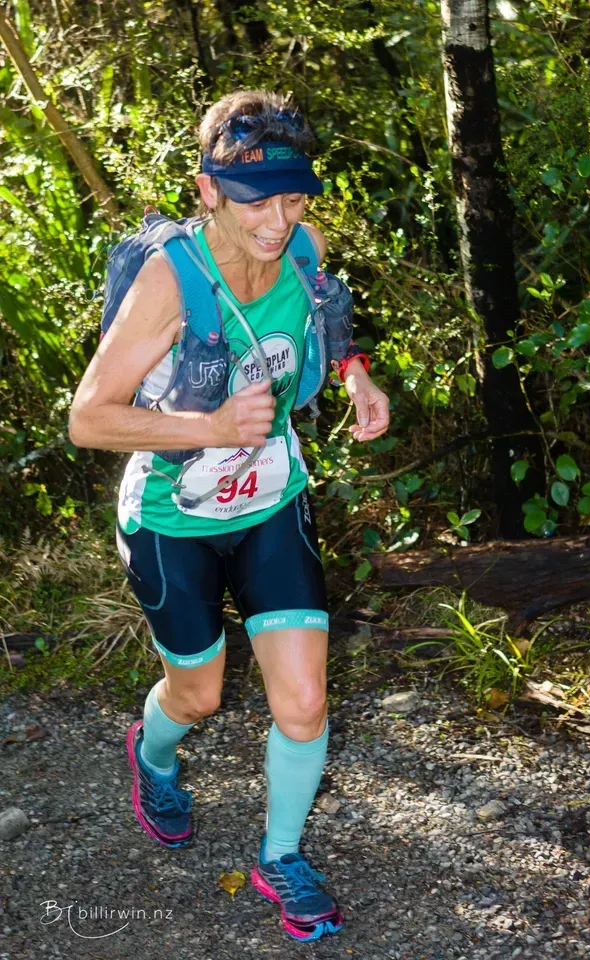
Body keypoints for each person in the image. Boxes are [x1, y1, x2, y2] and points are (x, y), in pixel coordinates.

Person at [69, 89, 390, 943]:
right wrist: (209, 428)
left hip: (271, 502)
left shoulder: (304, 247)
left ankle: (280, 855)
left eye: (294, 199)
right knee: (199, 694)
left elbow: (326, 312)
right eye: (255, 202)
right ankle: (153, 755)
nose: (278, 222)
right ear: (208, 190)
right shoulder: (170, 283)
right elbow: (88, 418)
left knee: (304, 702)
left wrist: (355, 372)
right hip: (172, 522)